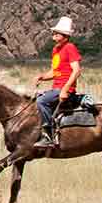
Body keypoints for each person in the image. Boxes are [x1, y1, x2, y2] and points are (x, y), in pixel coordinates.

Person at [33, 16, 80, 148]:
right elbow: (54, 72)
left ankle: (49, 136)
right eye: (54, 32)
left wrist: (65, 90)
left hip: (65, 89)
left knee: (41, 101)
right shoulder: (56, 50)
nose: (53, 34)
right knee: (36, 99)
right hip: (56, 88)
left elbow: (76, 71)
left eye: (57, 33)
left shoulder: (70, 47)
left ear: (65, 36)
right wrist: (42, 77)